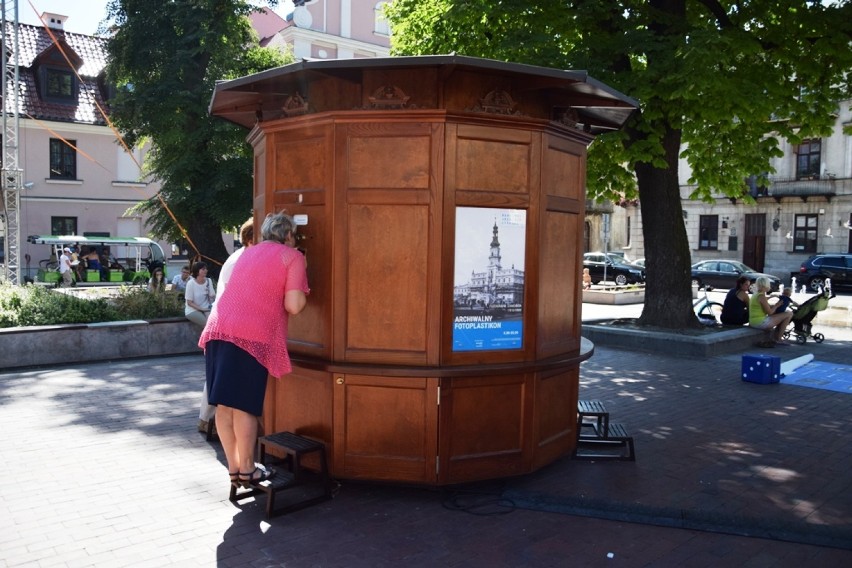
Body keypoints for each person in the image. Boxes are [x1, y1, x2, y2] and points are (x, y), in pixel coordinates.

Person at [199, 212, 308, 489]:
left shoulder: (249, 252)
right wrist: (305, 290)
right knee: (245, 405)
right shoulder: (292, 256)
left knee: (224, 404)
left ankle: (235, 469)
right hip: (251, 336)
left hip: (217, 329)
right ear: (288, 236)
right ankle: (249, 470)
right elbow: (294, 306)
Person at [749, 276, 793, 345]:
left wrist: (773, 303)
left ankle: (777, 335)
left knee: (784, 314)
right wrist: (777, 305)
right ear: (766, 285)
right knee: (789, 314)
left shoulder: (756, 294)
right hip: (760, 322)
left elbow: (763, 306)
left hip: (753, 321)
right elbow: (770, 312)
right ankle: (778, 339)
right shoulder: (761, 296)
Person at [184, 261, 215, 327]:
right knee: (208, 325)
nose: (206, 270)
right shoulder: (190, 283)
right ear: (197, 271)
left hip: (206, 308)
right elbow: (189, 302)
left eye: (206, 269)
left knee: (214, 323)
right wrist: (201, 309)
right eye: (203, 269)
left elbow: (212, 296)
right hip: (192, 310)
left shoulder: (209, 281)